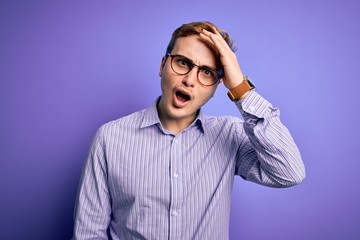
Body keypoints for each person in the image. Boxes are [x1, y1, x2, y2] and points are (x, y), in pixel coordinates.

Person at [72, 21, 305, 240]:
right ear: (163, 65)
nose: (190, 80)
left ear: (216, 87)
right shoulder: (110, 138)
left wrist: (240, 88)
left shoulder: (229, 135)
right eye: (183, 62)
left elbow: (289, 173)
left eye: (207, 72)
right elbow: (88, 233)